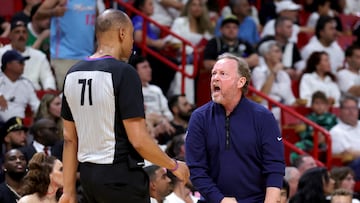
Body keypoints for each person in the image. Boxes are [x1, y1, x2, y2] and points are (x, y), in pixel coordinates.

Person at [59, 9, 189, 203]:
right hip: (120, 178)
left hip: (88, 179)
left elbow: (69, 139)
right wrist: (174, 166)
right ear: (122, 33)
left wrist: (68, 191)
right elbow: (138, 140)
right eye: (131, 36)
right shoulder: (124, 72)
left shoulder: (72, 73)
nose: (132, 44)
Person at [185, 53, 285, 202]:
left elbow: (274, 166)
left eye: (223, 74)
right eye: (213, 73)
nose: (215, 78)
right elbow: (196, 169)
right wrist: (220, 199)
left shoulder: (263, 117)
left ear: (240, 82)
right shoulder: (199, 118)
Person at [34, 0, 95, 90]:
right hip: (65, 56)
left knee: (85, 99)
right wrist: (54, 12)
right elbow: (38, 14)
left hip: (88, 56)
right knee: (66, 98)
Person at [0, 20, 56, 90]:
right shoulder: (1, 53)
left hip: (34, 93)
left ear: (27, 36)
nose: (21, 35)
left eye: (24, 32)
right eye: (17, 32)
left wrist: (49, 89)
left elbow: (47, 77)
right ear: (10, 35)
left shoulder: (39, 55)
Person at [291, 91, 338, 162]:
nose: (319, 106)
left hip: (328, 142)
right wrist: (311, 135)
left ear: (326, 105)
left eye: (322, 103)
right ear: (312, 105)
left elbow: (338, 132)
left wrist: (324, 138)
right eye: (317, 103)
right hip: (311, 142)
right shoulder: (307, 118)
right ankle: (297, 167)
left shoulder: (332, 117)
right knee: (297, 147)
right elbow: (303, 135)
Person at [0, 50, 40, 123]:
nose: (23, 65)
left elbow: (36, 106)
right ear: (8, 65)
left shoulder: (26, 84)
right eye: (20, 62)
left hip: (19, 125)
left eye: (24, 63)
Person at [330, 95, 360, 180]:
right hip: (348, 168)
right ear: (340, 111)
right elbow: (349, 153)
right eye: (347, 108)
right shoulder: (336, 131)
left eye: (354, 108)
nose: (351, 111)